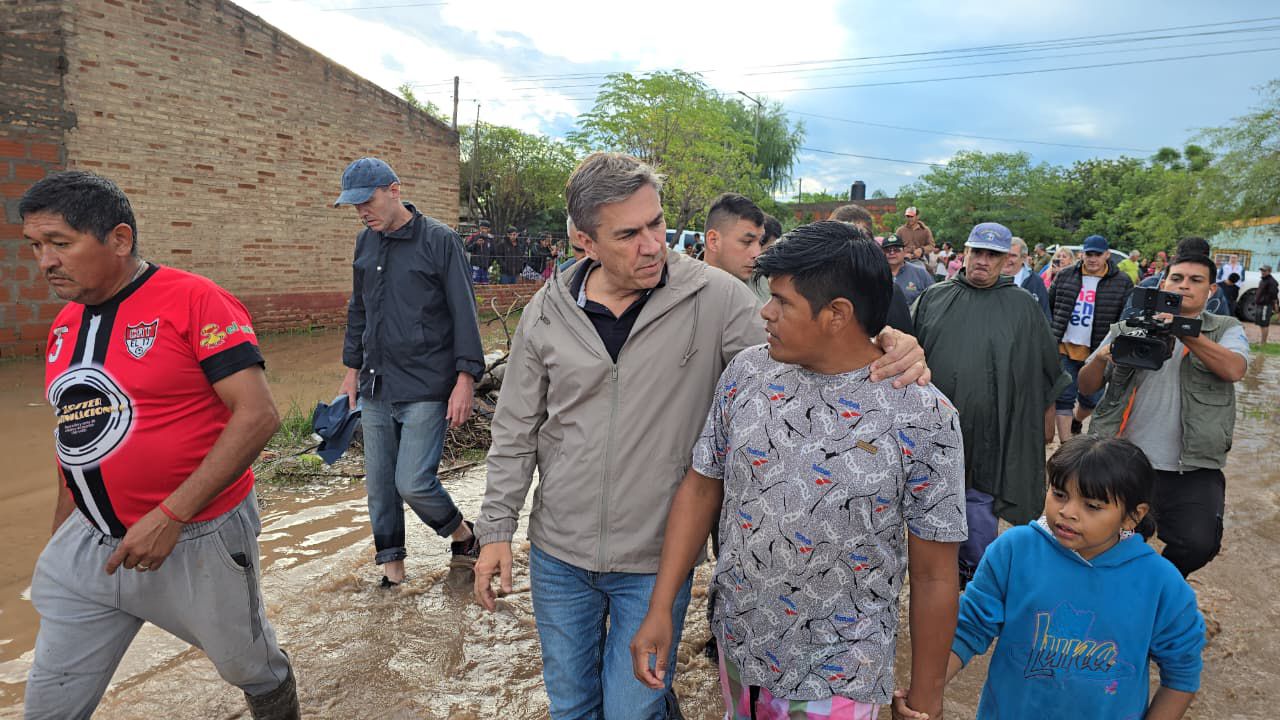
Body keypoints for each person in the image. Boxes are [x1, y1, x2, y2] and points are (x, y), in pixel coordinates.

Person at [471, 152, 930, 719]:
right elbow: (516, 428)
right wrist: (496, 531)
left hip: (655, 555)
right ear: (585, 242)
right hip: (558, 553)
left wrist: (887, 341)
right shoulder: (548, 310)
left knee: (632, 709)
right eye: (628, 234)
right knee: (570, 705)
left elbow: (810, 347)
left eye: (656, 224)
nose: (652, 245)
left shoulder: (715, 298)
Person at [630, 222, 967, 720]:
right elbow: (701, 488)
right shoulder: (748, 373)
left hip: (841, 673)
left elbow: (935, 573)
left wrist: (926, 698)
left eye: (782, 302)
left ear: (837, 315)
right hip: (740, 647)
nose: (765, 312)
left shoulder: (922, 414)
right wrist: (660, 608)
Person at [21, 171, 299, 719]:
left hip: (197, 536)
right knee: (49, 706)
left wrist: (171, 515)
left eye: (59, 243)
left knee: (250, 667)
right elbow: (75, 436)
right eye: (35, 246)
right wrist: (62, 535)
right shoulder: (64, 327)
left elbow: (258, 415)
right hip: (93, 543)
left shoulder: (195, 300)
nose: (45, 262)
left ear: (119, 239)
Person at [895, 436, 1205, 720]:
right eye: (1059, 494)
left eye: (1092, 506)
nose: (1068, 512)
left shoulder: (1161, 584)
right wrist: (923, 697)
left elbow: (1182, 676)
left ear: (1133, 516)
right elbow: (968, 630)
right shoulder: (1014, 552)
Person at [334, 157, 485, 587]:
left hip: (426, 384)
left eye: (367, 201)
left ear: (394, 190)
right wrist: (351, 370)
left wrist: (465, 379)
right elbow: (359, 310)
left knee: (413, 482)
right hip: (376, 383)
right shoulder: (365, 243)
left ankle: (464, 534)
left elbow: (464, 312)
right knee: (380, 486)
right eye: (354, 205)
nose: (362, 212)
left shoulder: (440, 240)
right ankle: (393, 574)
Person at [913, 222, 1068, 583]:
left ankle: (975, 576)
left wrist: (1045, 420)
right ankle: (931, 571)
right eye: (977, 252)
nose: (983, 261)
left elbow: (1045, 369)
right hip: (932, 428)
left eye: (993, 255)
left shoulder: (1022, 307)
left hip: (991, 431)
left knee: (979, 502)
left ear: (1006, 260)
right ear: (965, 254)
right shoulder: (934, 298)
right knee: (929, 498)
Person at [1080, 253, 1249, 577]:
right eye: (1176, 278)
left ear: (1211, 290)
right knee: (1107, 536)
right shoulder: (1128, 326)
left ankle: (1159, 583)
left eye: (1195, 280)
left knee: (1198, 543)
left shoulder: (1225, 328)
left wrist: (1183, 331)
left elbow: (1234, 370)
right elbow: (1086, 385)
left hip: (1193, 464)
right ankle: (1116, 585)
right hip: (1125, 458)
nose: (1184, 286)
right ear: (1162, 284)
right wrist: (1101, 359)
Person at [1047, 234, 1133, 441]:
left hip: (1097, 351)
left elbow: (1125, 316)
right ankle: (1066, 444)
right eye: (1089, 254)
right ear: (1082, 255)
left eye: (1097, 254)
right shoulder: (1066, 275)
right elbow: (1050, 305)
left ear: (1107, 255)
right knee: (1064, 397)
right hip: (1065, 347)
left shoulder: (1122, 282)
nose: (1092, 259)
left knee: (1091, 400)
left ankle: (1077, 420)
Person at [830, 203, 916, 335]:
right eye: (838, 240)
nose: (849, 249)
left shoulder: (887, 293)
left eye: (858, 240)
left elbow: (904, 343)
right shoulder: (808, 291)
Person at [702, 192, 765, 286]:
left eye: (761, 242)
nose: (758, 254)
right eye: (747, 242)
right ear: (713, 241)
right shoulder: (681, 287)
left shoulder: (765, 289)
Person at [1004, 236, 1050, 319]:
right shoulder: (990, 277)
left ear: (1024, 257)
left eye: (1013, 255)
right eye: (1004, 254)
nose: (1007, 259)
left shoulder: (1035, 281)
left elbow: (1045, 315)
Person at [881, 234, 934, 304]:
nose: (892, 253)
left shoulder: (920, 273)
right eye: (887, 250)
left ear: (904, 251)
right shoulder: (876, 273)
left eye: (896, 250)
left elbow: (933, 298)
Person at [895, 206, 935, 270]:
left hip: (919, 259)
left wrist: (922, 250)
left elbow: (931, 245)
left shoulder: (925, 230)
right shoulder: (900, 230)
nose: (909, 218)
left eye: (911, 216)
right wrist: (903, 254)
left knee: (925, 271)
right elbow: (895, 246)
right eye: (908, 216)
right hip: (903, 260)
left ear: (917, 216)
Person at [1254, 264, 1278, 344]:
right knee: (1261, 323)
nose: (1262, 272)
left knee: (1264, 324)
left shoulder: (1272, 281)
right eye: (1262, 270)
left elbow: (1274, 294)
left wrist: (1275, 305)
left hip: (1266, 305)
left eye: (1264, 271)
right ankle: (1262, 341)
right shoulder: (1263, 280)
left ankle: (1263, 343)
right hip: (1260, 304)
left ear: (1269, 271)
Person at [465, 220, 494, 284]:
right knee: (474, 285)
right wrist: (476, 243)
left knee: (485, 285)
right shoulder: (474, 236)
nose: (483, 230)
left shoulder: (491, 238)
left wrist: (488, 263)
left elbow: (493, 253)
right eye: (482, 228)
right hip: (475, 266)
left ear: (488, 229)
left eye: (485, 228)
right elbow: (467, 248)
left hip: (485, 267)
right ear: (479, 228)